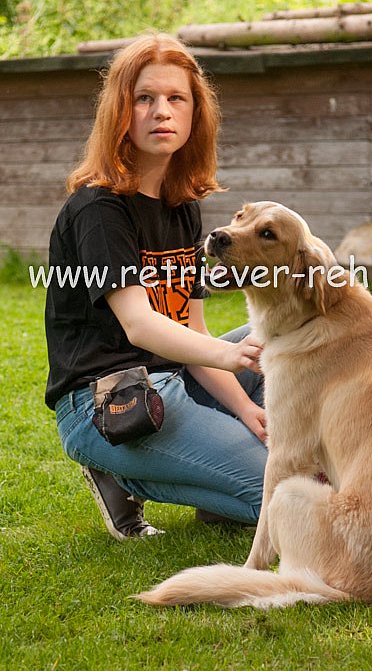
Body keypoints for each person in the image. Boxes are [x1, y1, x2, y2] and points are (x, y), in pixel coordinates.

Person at [44, 33, 268, 540]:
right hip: (106, 397)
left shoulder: (182, 206)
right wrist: (229, 356)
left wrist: (247, 410)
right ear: (120, 111)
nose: (161, 111)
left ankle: (216, 489)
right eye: (144, 98)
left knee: (279, 348)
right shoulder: (99, 208)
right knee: (283, 494)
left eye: (175, 98)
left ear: (195, 114)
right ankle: (120, 472)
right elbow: (140, 325)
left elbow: (193, 332)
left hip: (171, 378)